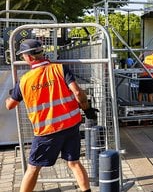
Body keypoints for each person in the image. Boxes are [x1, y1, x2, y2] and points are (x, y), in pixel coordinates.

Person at [5, 39, 98, 192]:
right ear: (41, 53)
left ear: (28, 57)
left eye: (22, 57)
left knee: (33, 167)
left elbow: (10, 105)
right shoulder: (60, 69)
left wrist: (12, 94)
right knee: (74, 162)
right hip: (71, 125)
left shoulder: (24, 81)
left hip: (47, 131)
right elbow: (77, 93)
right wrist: (87, 110)